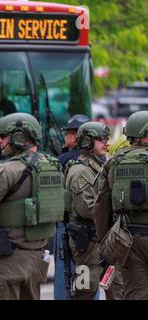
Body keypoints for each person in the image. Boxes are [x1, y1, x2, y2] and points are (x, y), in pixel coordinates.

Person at [0, 113, 64, 300]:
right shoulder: (54, 167)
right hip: (37, 260)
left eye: (4, 136)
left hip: (7, 262)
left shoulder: (6, 170)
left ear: (19, 137)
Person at [64, 121, 123, 300]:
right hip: (87, 243)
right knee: (84, 291)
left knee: (118, 288)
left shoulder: (99, 166)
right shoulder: (80, 171)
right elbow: (87, 208)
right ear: (87, 142)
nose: (107, 143)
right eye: (102, 139)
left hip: (105, 240)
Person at [93, 111, 148, 300]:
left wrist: (106, 243)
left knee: (135, 294)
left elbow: (100, 208)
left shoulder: (113, 163)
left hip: (128, 241)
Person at [54, 113, 89, 300]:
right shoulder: (100, 160)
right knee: (87, 275)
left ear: (76, 136)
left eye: (68, 133)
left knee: (63, 271)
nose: (66, 136)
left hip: (66, 224)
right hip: (91, 226)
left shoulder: (63, 159)